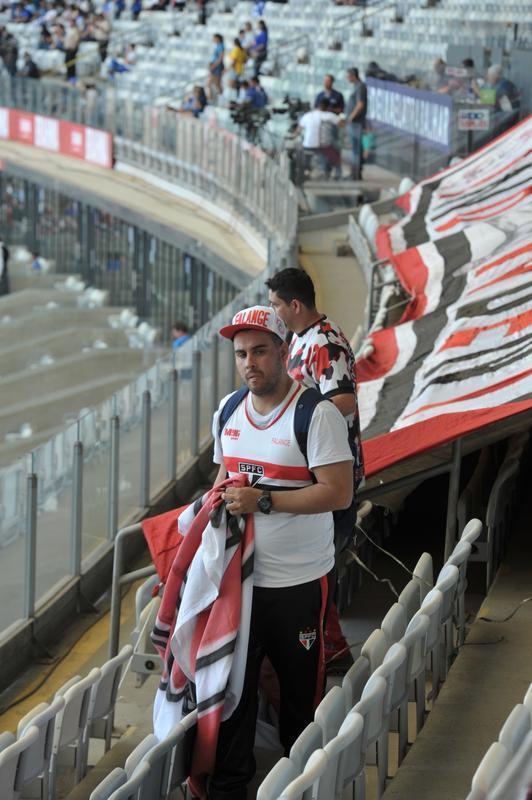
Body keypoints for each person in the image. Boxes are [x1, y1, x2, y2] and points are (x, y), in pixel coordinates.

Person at [210, 305, 353, 798]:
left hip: (298, 583)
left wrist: (263, 501)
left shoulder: (317, 413)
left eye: (260, 351)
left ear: (285, 352)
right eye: (241, 354)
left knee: (299, 696)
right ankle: (230, 786)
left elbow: (338, 493)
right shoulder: (228, 411)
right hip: (241, 583)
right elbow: (222, 478)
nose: (250, 362)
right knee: (235, 692)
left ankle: (300, 786)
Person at [266, 268, 365, 670]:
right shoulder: (300, 339)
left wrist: (297, 428)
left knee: (317, 570)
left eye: (276, 304)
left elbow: (343, 402)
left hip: (328, 475)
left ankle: (331, 651)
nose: (273, 312)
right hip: (310, 472)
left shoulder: (325, 343)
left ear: (294, 304)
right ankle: (329, 647)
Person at [297, 98, 341, 178]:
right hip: (324, 146)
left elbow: (298, 130)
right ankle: (334, 173)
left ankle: (307, 169)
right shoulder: (329, 115)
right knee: (336, 153)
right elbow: (342, 123)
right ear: (328, 107)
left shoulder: (308, 115)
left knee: (304, 150)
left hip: (308, 145)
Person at [345, 66, 367, 180]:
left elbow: (360, 104)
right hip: (353, 123)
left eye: (348, 76)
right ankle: (354, 171)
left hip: (356, 123)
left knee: (356, 149)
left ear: (353, 76)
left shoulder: (360, 87)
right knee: (353, 148)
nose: (347, 78)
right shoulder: (355, 86)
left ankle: (356, 173)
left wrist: (351, 117)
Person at [207, 32, 224, 101]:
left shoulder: (221, 46)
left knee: (216, 83)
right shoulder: (217, 46)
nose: (213, 39)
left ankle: (217, 98)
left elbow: (220, 58)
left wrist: (214, 65)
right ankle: (214, 98)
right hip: (214, 66)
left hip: (216, 67)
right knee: (212, 84)